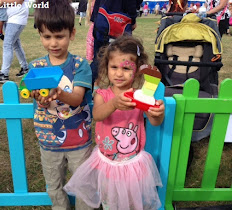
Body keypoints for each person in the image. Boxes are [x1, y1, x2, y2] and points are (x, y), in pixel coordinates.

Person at [64, 35, 165, 210]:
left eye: (126, 68)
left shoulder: (141, 96)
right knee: (110, 200)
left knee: (133, 201)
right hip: (107, 163)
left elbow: (155, 122)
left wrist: (157, 113)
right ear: (106, 68)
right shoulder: (102, 94)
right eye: (114, 67)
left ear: (137, 71)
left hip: (133, 164)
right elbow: (97, 115)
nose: (119, 73)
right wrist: (114, 104)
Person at [30, 0, 94, 209]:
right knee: (54, 186)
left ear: (72, 34)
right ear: (40, 34)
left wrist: (59, 93)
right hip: (49, 139)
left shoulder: (79, 65)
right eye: (47, 37)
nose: (53, 43)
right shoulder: (36, 67)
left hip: (79, 140)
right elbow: (36, 98)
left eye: (59, 36)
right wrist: (39, 98)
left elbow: (76, 98)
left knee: (85, 185)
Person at [90, 0, 138, 86]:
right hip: (120, 22)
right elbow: (132, 4)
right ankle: (116, 91)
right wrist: (133, 20)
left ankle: (87, 87)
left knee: (98, 59)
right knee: (121, 58)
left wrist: (95, 18)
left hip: (102, 20)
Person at [0, 0, 29, 83]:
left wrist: (2, 2)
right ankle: (25, 68)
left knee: (7, 45)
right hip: (9, 19)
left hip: (16, 19)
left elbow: (19, 1)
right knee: (16, 45)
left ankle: (4, 74)